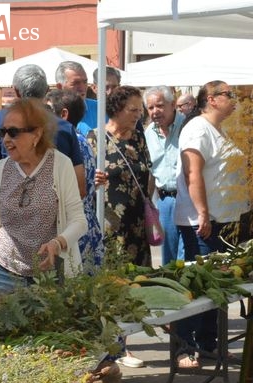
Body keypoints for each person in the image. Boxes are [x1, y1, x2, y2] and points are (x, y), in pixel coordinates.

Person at [172, 80, 249, 368]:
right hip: (203, 222)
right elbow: (193, 173)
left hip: (225, 221)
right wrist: (202, 212)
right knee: (197, 285)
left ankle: (208, 344)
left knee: (216, 286)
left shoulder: (220, 130)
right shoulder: (198, 129)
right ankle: (183, 347)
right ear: (212, 99)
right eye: (229, 94)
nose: (234, 98)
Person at [0, 97, 86, 293]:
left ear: (37, 134)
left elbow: (79, 221)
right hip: (6, 274)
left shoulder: (60, 165)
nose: (6, 139)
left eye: (13, 132)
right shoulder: (1, 169)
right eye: (2, 132)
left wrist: (58, 243)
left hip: (50, 274)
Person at [0, 64, 86, 198]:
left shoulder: (1, 118)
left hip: (11, 201)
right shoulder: (65, 127)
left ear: (16, 91)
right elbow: (79, 188)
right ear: (47, 90)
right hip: (52, 205)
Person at [91, 86, 153, 267]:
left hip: (138, 225)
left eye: (140, 110)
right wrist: (92, 180)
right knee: (114, 277)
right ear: (116, 109)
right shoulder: (95, 138)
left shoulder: (139, 138)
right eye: (133, 110)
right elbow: (84, 180)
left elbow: (147, 171)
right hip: (111, 226)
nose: (138, 115)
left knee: (141, 278)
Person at [47, 89, 104, 272]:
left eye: (48, 110)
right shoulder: (84, 141)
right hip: (87, 222)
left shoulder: (67, 141)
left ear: (63, 114)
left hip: (70, 225)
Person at [143, 85, 185, 265]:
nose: (155, 111)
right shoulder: (148, 133)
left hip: (188, 198)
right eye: (150, 108)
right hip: (165, 201)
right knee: (169, 259)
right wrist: (148, 203)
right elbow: (151, 171)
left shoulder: (187, 126)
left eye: (160, 105)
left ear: (173, 104)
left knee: (189, 255)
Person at [55, 61, 97, 137]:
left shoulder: (101, 110)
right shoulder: (51, 114)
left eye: (85, 82)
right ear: (60, 87)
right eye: (76, 83)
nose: (82, 88)